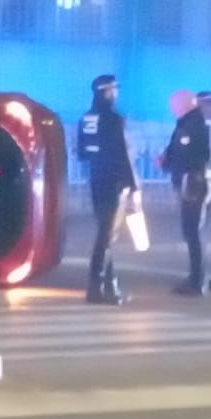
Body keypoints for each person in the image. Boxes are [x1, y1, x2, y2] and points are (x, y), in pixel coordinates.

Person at [76, 73, 140, 306]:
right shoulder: (114, 119)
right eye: (113, 90)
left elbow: (82, 152)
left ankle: (110, 285)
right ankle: (96, 287)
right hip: (114, 183)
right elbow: (124, 153)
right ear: (106, 92)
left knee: (106, 233)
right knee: (107, 236)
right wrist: (134, 185)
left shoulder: (86, 118)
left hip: (96, 180)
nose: (116, 93)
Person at [161, 89, 211, 296]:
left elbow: (197, 156)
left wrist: (172, 163)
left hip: (195, 183)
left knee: (193, 232)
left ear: (184, 105)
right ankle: (196, 277)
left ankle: (197, 280)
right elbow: (175, 152)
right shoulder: (186, 124)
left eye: (174, 105)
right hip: (190, 182)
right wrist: (166, 161)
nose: (172, 109)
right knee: (191, 231)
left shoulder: (197, 125)